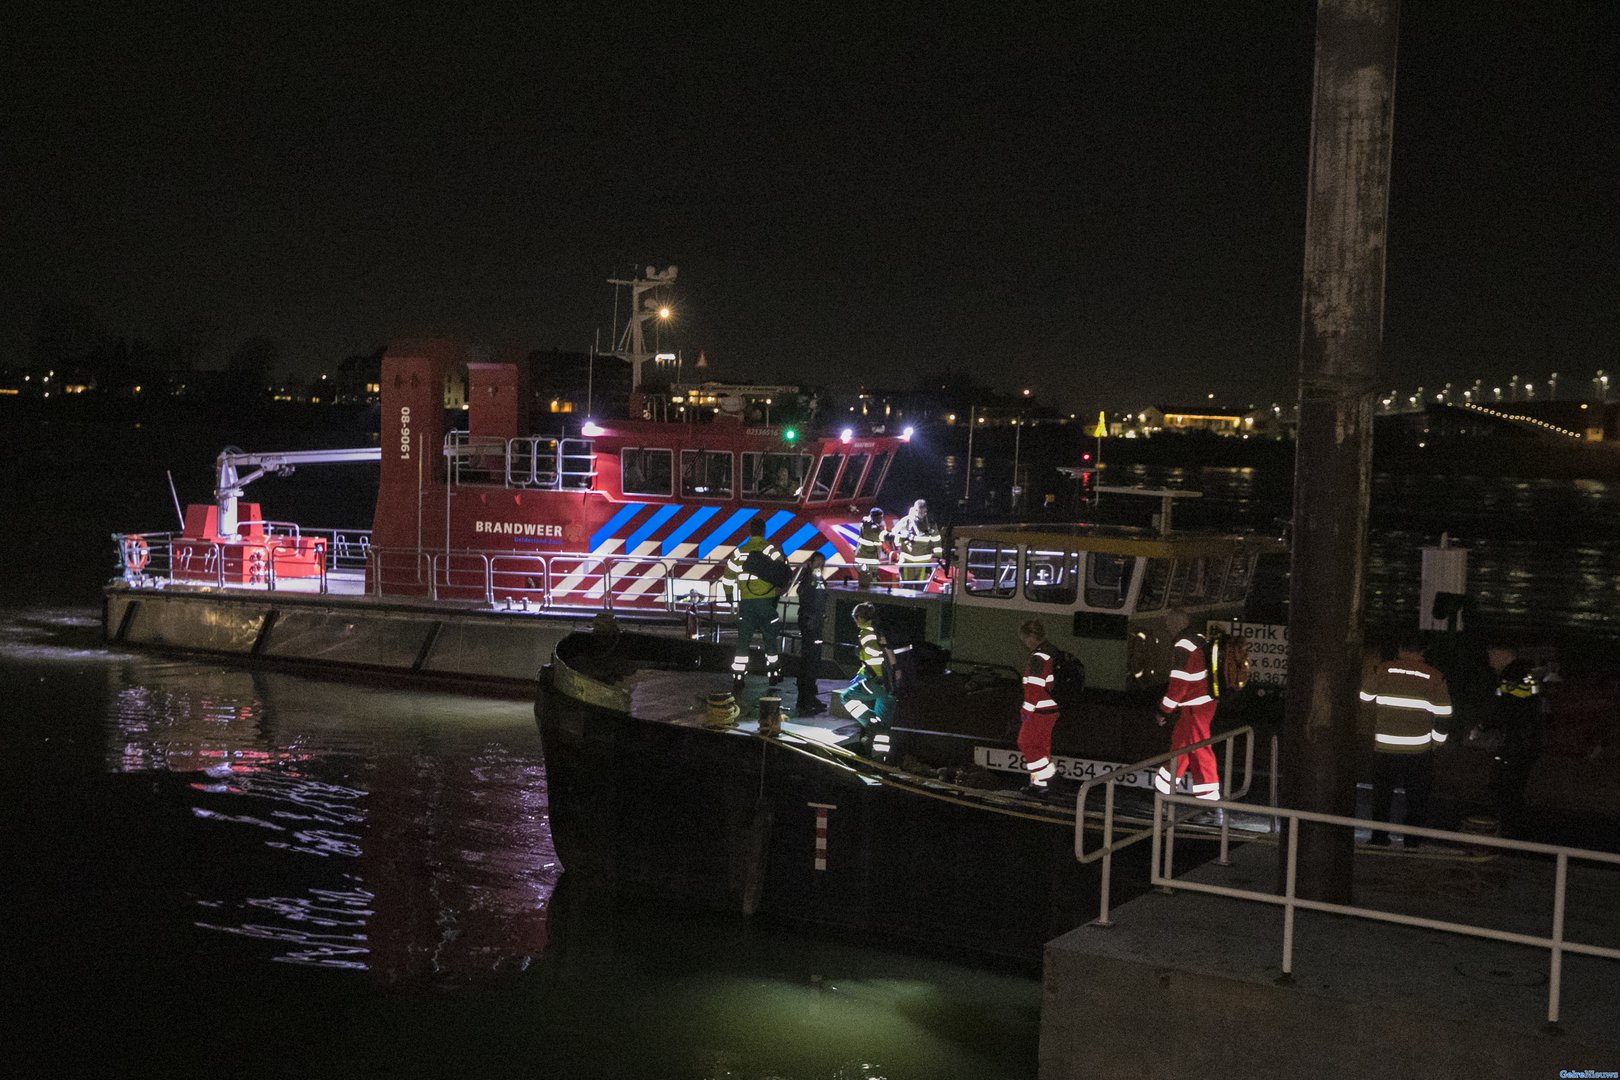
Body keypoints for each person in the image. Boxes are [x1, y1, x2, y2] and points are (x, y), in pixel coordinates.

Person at [1359, 630, 1453, 846]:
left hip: (1384, 748)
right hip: (1419, 751)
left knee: (1382, 798)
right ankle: (1412, 842)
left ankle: (1379, 837)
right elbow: (1445, 713)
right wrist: (1436, 742)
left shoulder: (1382, 670)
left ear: (1400, 650)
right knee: (1416, 799)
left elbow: (1365, 697)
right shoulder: (1434, 676)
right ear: (1423, 652)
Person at [1154, 612, 1222, 809]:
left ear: (1176, 622)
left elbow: (1179, 685)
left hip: (1194, 706)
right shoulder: (1200, 639)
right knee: (1182, 745)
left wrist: (1164, 710)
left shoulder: (1183, 645)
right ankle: (1166, 785)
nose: (1167, 627)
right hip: (1205, 702)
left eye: (1168, 622)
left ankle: (1208, 798)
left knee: (1198, 748)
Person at [721, 519, 787, 691]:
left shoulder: (739, 552)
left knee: (743, 642)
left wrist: (729, 595)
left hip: (747, 604)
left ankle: (738, 678)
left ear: (749, 531)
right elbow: (782, 571)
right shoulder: (770, 550)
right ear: (764, 531)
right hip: (766, 603)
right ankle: (773, 674)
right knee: (770, 639)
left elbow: (728, 576)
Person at [837, 602, 891, 755]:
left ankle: (871, 723)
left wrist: (864, 675)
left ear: (860, 618)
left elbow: (875, 659)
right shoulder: (880, 631)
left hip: (877, 682)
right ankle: (880, 759)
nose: (855, 622)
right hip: (892, 685)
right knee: (884, 726)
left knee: (846, 697)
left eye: (856, 619)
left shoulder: (866, 633)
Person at [1017, 619, 1060, 790]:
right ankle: (1039, 784)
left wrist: (1026, 710)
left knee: (1025, 742)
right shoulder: (1053, 651)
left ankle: (1050, 777)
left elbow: (1034, 687)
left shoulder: (1038, 657)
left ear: (1031, 637)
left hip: (1040, 709)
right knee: (1041, 746)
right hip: (1052, 707)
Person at [795, 551, 829, 715]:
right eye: (817, 563)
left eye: (821, 564)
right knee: (808, 662)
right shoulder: (809, 580)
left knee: (814, 662)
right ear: (810, 563)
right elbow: (803, 594)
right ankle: (804, 699)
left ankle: (810, 696)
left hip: (816, 623)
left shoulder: (819, 580)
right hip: (810, 623)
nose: (819, 566)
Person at [891, 499, 942, 585]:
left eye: (923, 512)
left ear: (926, 511)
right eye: (919, 511)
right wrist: (905, 537)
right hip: (907, 561)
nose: (921, 514)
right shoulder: (906, 521)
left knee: (921, 590)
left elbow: (937, 541)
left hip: (923, 562)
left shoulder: (931, 524)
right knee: (906, 589)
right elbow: (893, 534)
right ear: (915, 510)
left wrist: (938, 558)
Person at [855, 507, 886, 588]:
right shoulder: (871, 528)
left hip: (867, 557)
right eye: (880, 517)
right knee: (867, 583)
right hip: (867, 559)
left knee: (869, 580)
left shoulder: (867, 523)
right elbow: (882, 536)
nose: (881, 519)